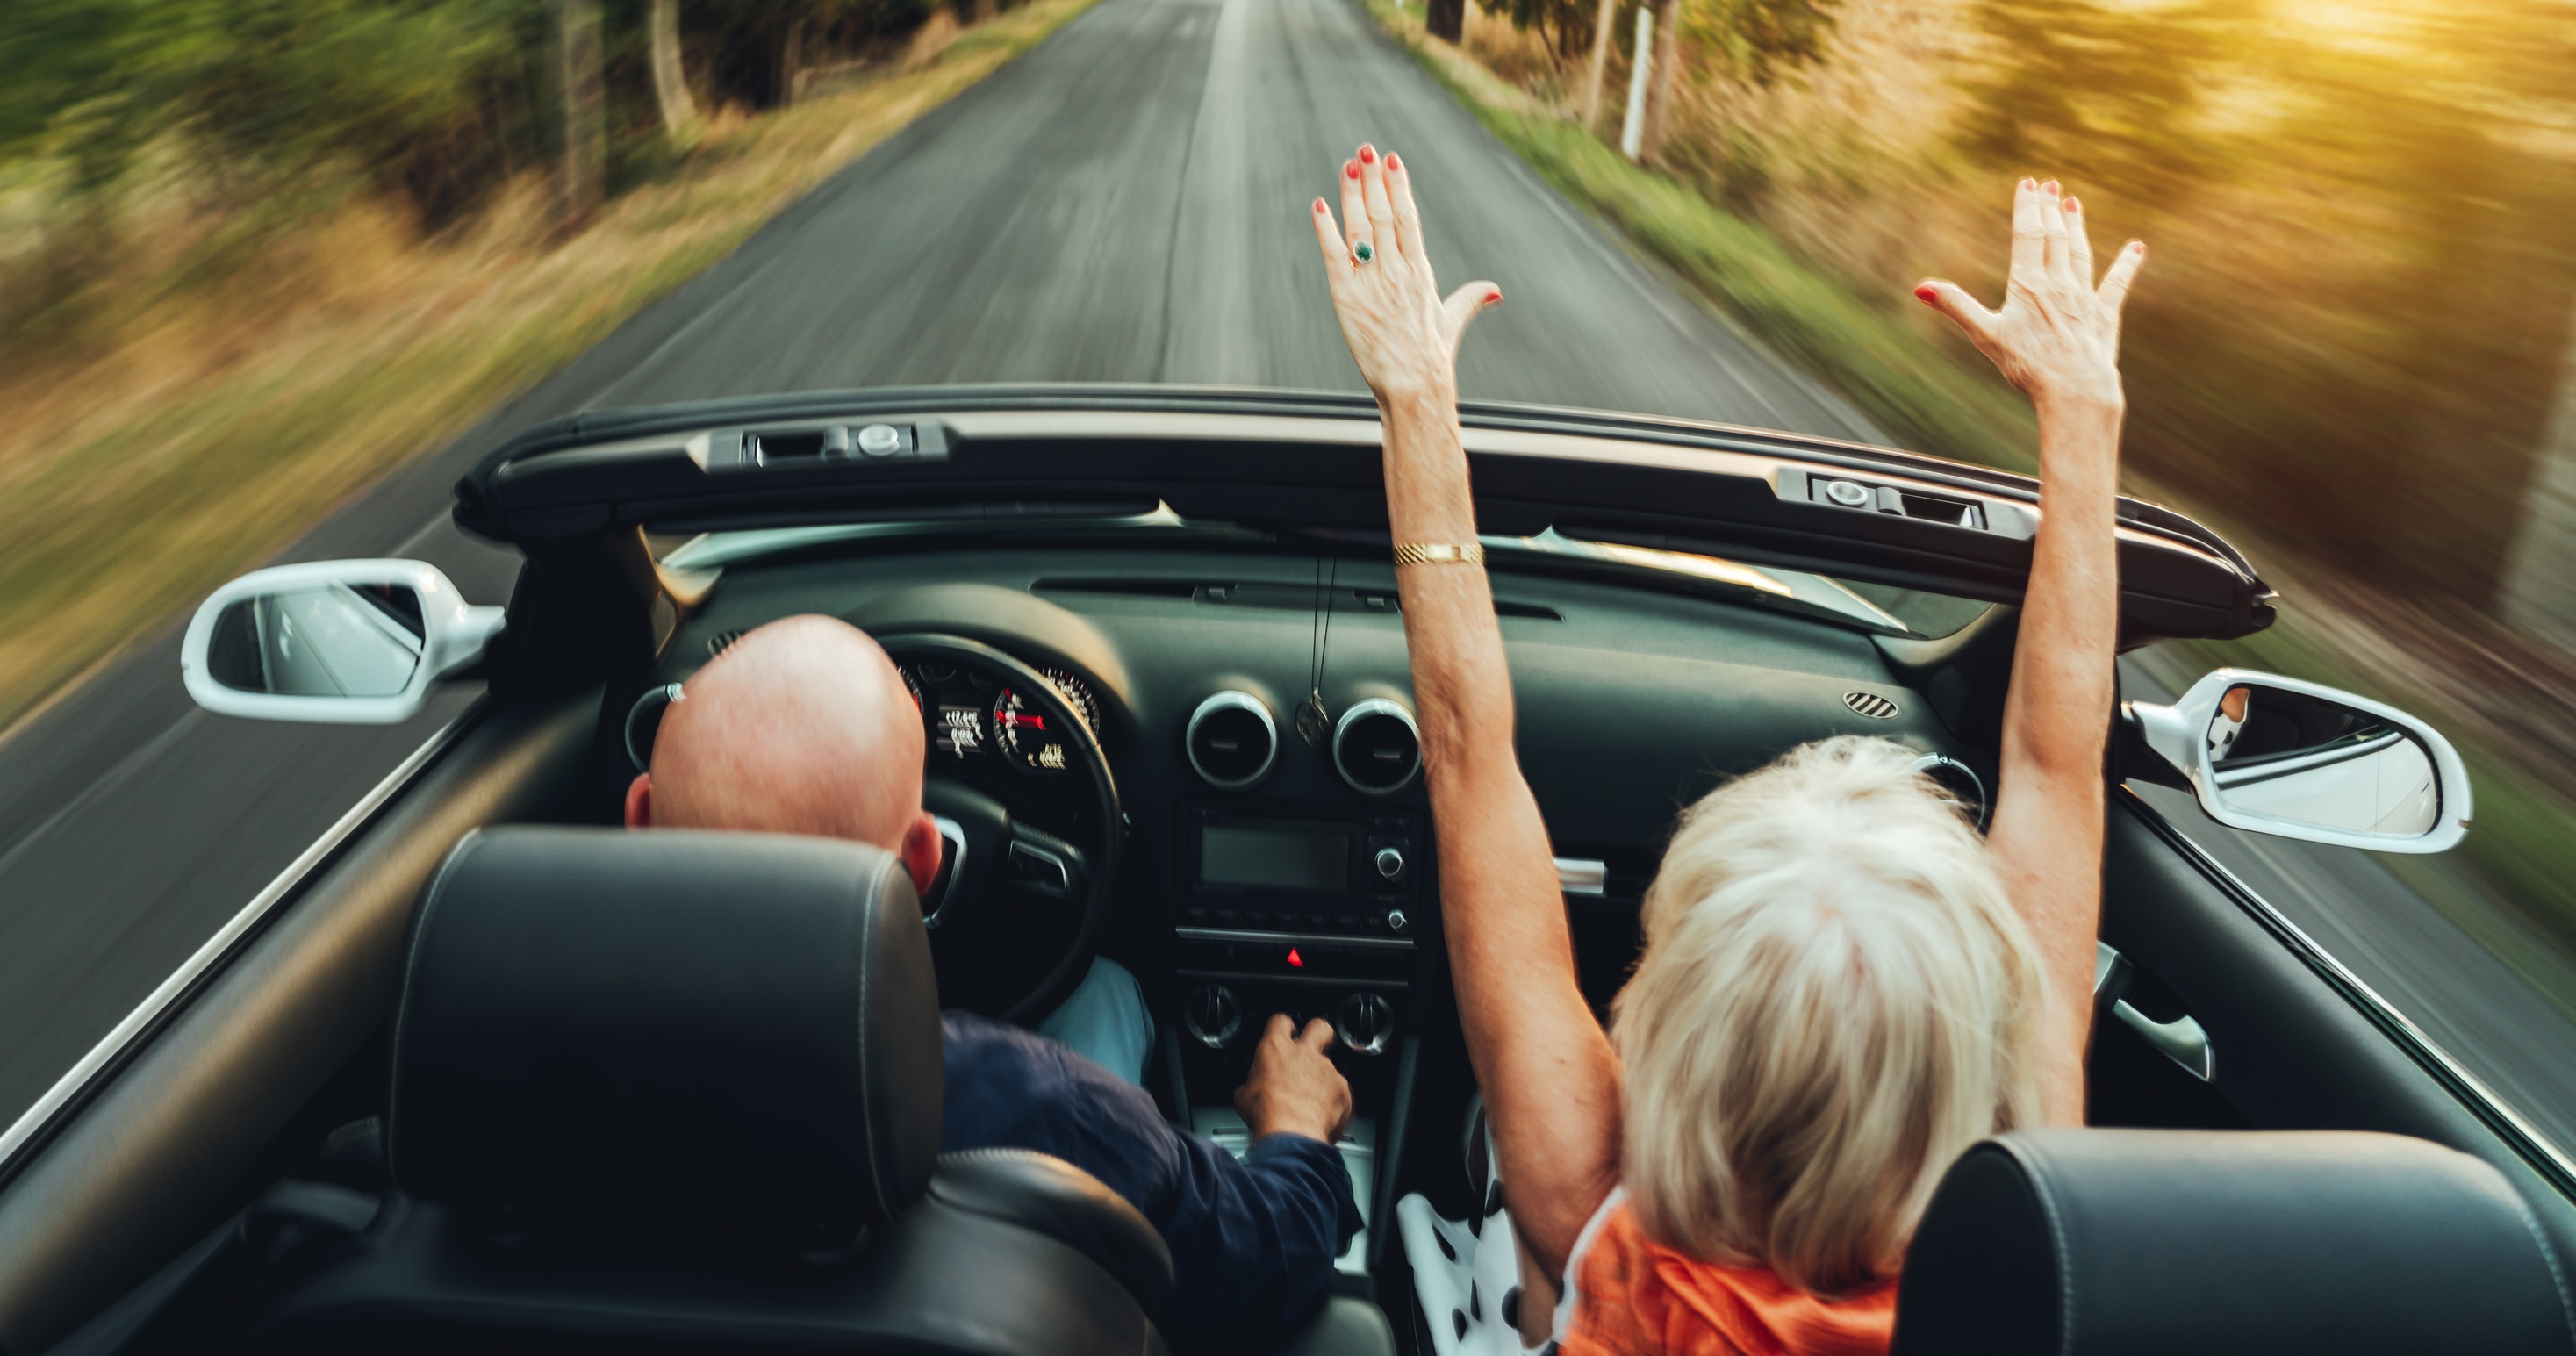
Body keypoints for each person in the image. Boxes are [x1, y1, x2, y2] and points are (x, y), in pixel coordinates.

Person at [1307, 144, 2140, 1355]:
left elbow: (1466, 753)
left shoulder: (1597, 1219)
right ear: (1977, 1060)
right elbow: (2062, 775)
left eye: (1658, 963)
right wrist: (2084, 411)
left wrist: (1415, 396)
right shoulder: (2029, 1189)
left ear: (1671, 1056)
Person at [626, 614, 1365, 1334]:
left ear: (640, 813)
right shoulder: (1044, 1103)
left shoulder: (524, 1047)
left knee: (1099, 984)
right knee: (1102, 989)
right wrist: (1296, 1127)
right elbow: (1266, 1259)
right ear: (923, 860)